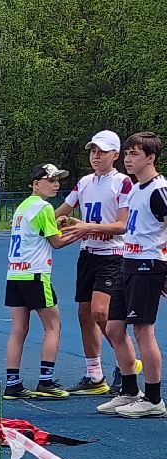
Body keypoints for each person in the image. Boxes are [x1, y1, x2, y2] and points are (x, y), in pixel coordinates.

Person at [95, 131, 167, 419]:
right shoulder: (136, 189)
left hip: (148, 264)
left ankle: (153, 398)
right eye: (126, 154)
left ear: (150, 157)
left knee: (142, 330)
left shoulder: (159, 190)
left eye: (134, 154)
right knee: (114, 328)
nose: (127, 159)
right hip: (129, 261)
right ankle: (129, 390)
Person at [56, 131, 134, 395]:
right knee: (85, 315)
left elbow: (123, 225)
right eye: (92, 151)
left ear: (115, 155)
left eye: (101, 152)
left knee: (102, 313)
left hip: (113, 255)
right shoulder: (84, 182)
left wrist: (90, 227)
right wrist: (36, 220)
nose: (96, 156)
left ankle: (128, 364)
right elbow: (61, 212)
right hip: (88, 254)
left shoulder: (122, 182)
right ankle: (94, 375)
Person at [3, 165, 73, 399]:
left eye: (57, 180)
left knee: (18, 329)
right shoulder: (44, 207)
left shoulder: (23, 207)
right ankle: (46, 380)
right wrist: (82, 231)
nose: (56, 184)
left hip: (15, 273)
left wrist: (58, 225)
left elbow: (40, 232)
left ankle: (12, 383)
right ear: (36, 183)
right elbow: (56, 242)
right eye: (50, 180)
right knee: (53, 326)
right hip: (35, 274)